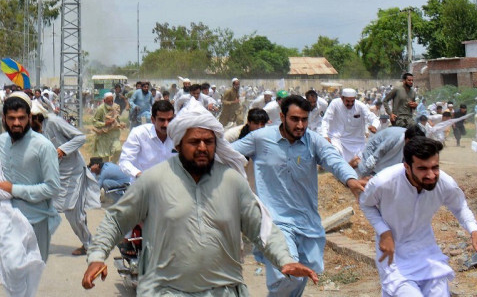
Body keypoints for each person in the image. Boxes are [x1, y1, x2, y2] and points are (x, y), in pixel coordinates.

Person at [82, 97, 319, 294]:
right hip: (165, 290)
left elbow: (262, 228)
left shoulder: (232, 181)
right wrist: (97, 255)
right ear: (178, 144)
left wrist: (284, 259)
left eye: (208, 141)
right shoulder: (153, 180)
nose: (203, 148)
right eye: (194, 142)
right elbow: (115, 220)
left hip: (223, 290)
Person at [232, 95, 365, 295]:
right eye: (295, 119)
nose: (300, 125)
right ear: (282, 116)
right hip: (275, 220)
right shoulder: (261, 138)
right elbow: (229, 154)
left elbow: (333, 159)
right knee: (290, 270)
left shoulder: (313, 141)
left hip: (307, 221)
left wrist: (351, 179)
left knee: (307, 269)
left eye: (304, 119)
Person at [359, 137, 477, 297]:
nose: (431, 175)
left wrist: (474, 231)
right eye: (423, 168)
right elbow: (365, 204)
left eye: (435, 167)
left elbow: (460, 207)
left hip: (427, 253)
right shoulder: (383, 182)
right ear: (407, 167)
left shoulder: (445, 183)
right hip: (393, 256)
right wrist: (384, 232)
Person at [0, 92, 61, 262]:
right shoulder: (2, 141)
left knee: (32, 274)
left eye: (21, 118)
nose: (17, 123)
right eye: (12, 118)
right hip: (8, 218)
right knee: (10, 273)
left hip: (35, 221)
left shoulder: (43, 146)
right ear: (4, 118)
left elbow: (52, 187)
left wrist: (14, 189)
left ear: (29, 118)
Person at [30, 100, 100, 256]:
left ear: (35, 116)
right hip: (53, 174)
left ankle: (89, 245)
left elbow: (80, 137)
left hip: (72, 172)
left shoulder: (54, 122)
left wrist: (63, 149)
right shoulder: (30, 131)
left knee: (74, 214)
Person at [119, 100, 177, 179]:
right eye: (162, 120)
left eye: (170, 120)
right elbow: (125, 162)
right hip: (143, 186)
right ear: (153, 120)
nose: (166, 124)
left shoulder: (178, 136)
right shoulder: (139, 134)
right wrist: (140, 175)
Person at [322, 88, 379, 162]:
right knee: (335, 158)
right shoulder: (335, 103)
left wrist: (374, 126)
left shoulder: (360, 106)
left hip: (357, 142)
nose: (350, 104)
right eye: (347, 101)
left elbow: (373, 118)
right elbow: (326, 120)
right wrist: (325, 135)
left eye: (352, 101)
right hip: (338, 139)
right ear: (342, 98)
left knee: (359, 165)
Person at [350, 125, 425, 178]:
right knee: (365, 170)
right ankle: (358, 161)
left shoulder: (412, 141)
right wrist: (372, 162)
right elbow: (381, 150)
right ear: (408, 138)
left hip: (387, 153)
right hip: (374, 148)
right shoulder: (396, 137)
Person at [92, 92, 125, 162]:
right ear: (104, 101)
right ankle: (106, 170)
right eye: (108, 101)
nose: (110, 103)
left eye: (112, 101)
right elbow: (94, 122)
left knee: (118, 150)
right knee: (104, 158)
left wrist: (120, 124)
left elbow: (117, 119)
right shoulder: (100, 109)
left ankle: (112, 166)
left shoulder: (116, 107)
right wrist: (105, 124)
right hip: (104, 136)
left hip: (114, 135)